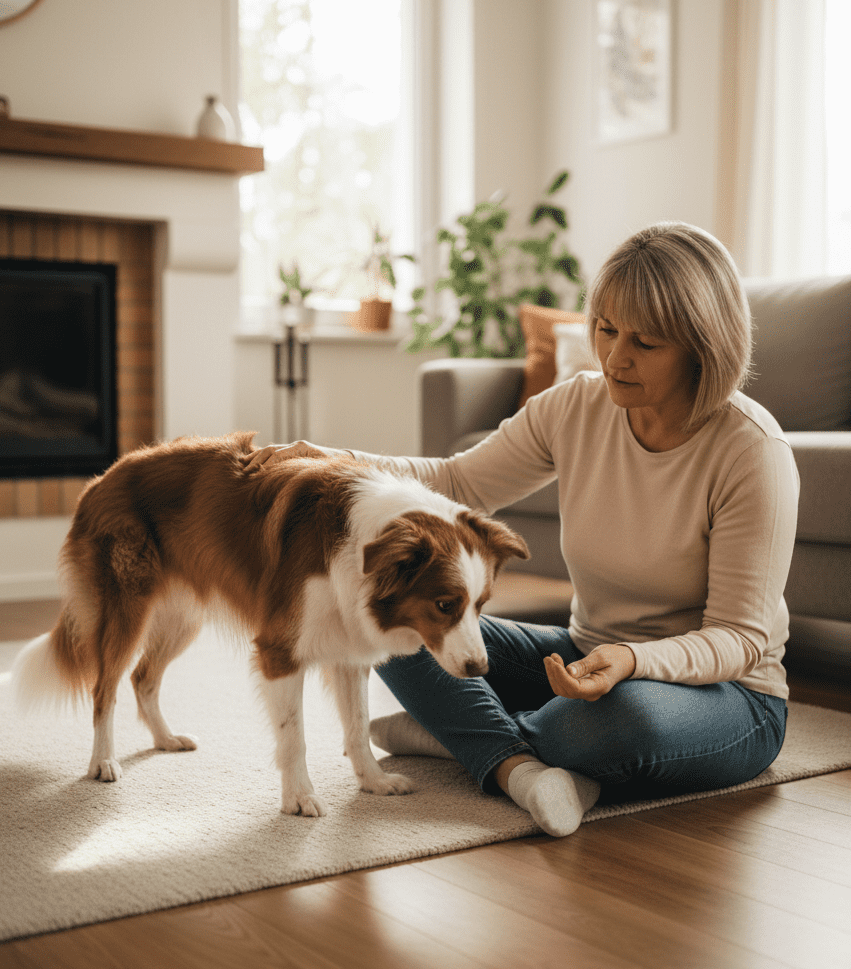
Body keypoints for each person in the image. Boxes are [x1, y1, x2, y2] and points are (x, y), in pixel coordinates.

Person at [248, 222, 799, 837]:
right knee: (392, 622)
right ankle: (518, 765)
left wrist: (632, 660)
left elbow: (739, 638)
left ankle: (461, 735)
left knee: (615, 723)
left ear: (702, 346)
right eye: (605, 329)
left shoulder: (752, 452)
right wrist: (336, 460)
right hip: (584, 656)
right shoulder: (577, 405)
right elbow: (457, 480)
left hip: (727, 695)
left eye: (645, 342)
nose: (615, 357)